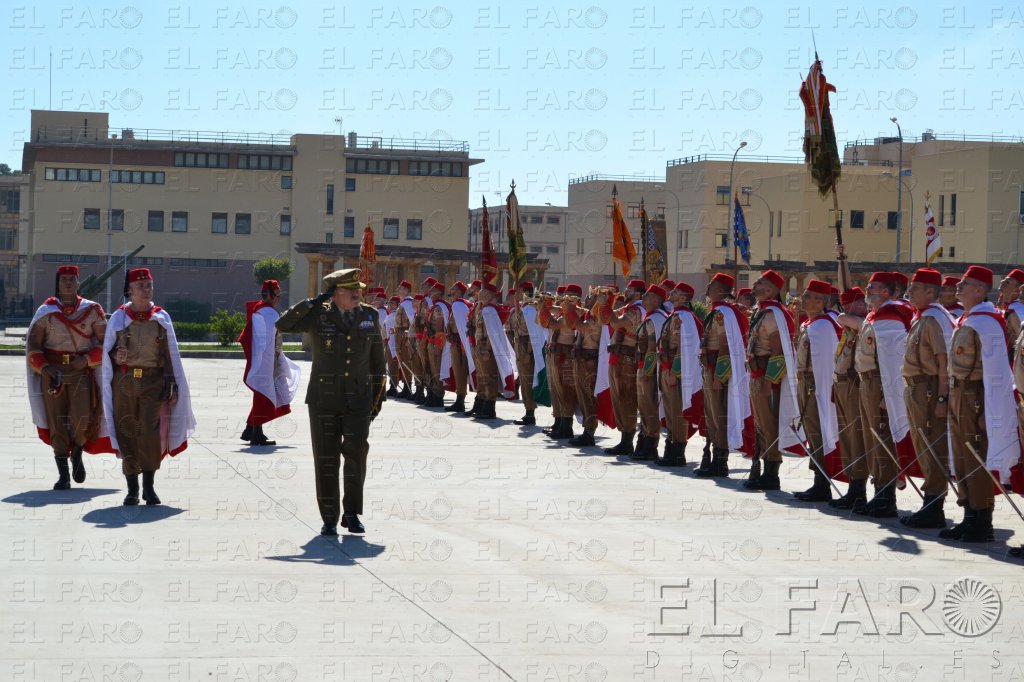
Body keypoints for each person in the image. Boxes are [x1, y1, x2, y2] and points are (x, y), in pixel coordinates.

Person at [276, 268, 386, 536]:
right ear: (335, 293)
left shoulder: (370, 316)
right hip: (324, 398)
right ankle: (329, 517)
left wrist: (376, 399)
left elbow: (377, 362)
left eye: (358, 289)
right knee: (326, 458)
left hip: (358, 399)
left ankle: (351, 513)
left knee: (357, 455)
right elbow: (283, 324)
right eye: (350, 290)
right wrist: (313, 301)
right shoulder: (318, 314)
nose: (357, 294)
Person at [101, 268, 195, 506]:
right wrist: (116, 356)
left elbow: (170, 355)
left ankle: (149, 487)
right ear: (129, 291)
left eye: (149, 285)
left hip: (153, 382)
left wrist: (173, 385)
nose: (146, 290)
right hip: (124, 382)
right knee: (127, 431)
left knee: (150, 432)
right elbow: (107, 354)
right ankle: (132, 488)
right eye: (140, 286)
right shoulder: (119, 317)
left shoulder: (160, 317)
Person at [941, 266, 1017, 542]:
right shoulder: (968, 318)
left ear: (981, 290)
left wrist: (989, 409)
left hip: (976, 396)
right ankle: (969, 514)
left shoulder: (987, 321)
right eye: (960, 283)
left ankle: (982, 520)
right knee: (961, 455)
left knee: (976, 456)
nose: (958, 287)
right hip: (959, 392)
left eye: (966, 284)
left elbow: (996, 370)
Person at [26, 265, 109, 489]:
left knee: (82, 418)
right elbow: (33, 348)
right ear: (58, 283)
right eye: (64, 280)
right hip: (53, 373)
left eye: (72, 279)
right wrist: (44, 368)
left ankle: (78, 452)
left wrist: (87, 359)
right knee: (57, 421)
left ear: (78, 283)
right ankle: (63, 474)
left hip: (81, 371)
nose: (69, 283)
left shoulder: (93, 310)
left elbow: (105, 344)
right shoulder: (47, 311)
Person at [853, 271, 913, 518]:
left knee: (882, 439)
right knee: (873, 439)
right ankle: (880, 491)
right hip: (868, 381)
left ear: (887, 291)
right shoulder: (875, 315)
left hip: (880, 383)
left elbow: (892, 360)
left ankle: (886, 497)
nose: (867, 289)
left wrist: (890, 395)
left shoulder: (889, 317)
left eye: (873, 286)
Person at [900, 268, 955, 528]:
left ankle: (934, 506)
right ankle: (930, 501)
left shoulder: (934, 319)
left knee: (933, 446)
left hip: (930, 389)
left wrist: (943, 398)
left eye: (916, 287)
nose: (910, 292)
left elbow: (944, 362)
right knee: (923, 445)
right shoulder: (921, 317)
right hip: (916, 387)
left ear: (930, 292)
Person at [696, 273, 751, 478]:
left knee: (718, 416)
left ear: (720, 290)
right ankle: (715, 458)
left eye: (711, 285)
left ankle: (720, 461)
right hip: (710, 369)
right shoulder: (719, 311)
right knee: (712, 415)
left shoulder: (721, 313)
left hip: (716, 372)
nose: (708, 287)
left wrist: (719, 376)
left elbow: (726, 347)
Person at [792, 279, 842, 502]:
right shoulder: (810, 324)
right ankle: (818, 480)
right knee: (812, 433)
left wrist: (819, 389)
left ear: (820, 301)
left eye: (808, 295)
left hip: (815, 385)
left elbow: (826, 364)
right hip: (806, 383)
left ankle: (822, 483)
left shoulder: (822, 326)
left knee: (818, 431)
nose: (802, 299)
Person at [238, 279, 301, 447]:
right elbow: (270, 342)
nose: (279, 299)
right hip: (266, 362)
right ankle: (256, 434)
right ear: (272, 296)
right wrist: (273, 362)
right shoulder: (269, 314)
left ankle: (251, 429)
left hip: (262, 361)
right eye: (278, 296)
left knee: (261, 395)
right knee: (263, 396)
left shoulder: (259, 311)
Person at [830, 286, 870, 511]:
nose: (847, 308)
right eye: (845, 304)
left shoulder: (863, 324)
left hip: (855, 385)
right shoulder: (849, 327)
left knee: (856, 438)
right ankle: (852, 486)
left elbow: (856, 322)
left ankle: (859, 489)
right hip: (842, 383)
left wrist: (847, 315)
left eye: (853, 303)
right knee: (846, 437)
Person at [658, 281, 703, 466]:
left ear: (684, 298)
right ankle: (670, 448)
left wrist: (673, 372)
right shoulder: (674, 315)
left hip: (676, 373)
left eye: (675, 292)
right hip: (667, 368)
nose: (671, 293)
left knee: (677, 411)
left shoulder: (682, 317)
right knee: (670, 410)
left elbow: (683, 349)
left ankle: (677, 452)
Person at [604, 279, 646, 455]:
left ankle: (627, 440)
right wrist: (606, 303)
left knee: (627, 398)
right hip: (618, 358)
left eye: (628, 290)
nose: (625, 292)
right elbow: (604, 317)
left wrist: (605, 304)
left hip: (628, 360)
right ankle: (624, 438)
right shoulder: (628, 308)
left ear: (637, 293)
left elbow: (615, 323)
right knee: (619, 398)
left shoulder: (637, 310)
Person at [634, 284, 670, 460]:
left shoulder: (657, 318)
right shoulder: (649, 317)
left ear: (657, 300)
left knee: (650, 407)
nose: (644, 298)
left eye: (647, 295)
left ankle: (651, 445)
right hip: (642, 366)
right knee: (643, 407)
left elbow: (651, 348)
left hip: (649, 370)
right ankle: (643, 441)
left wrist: (646, 373)